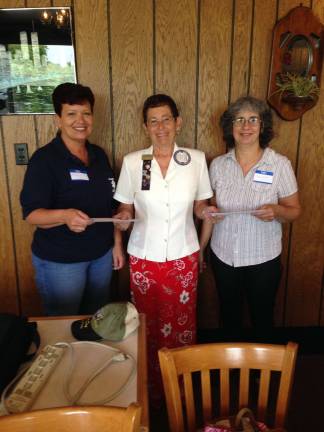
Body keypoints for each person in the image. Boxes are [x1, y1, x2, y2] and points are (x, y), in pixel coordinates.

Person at [113, 93, 216, 405]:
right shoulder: (135, 163)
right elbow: (126, 210)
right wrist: (122, 223)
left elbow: (200, 206)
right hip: (144, 257)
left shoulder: (194, 159)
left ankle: (180, 391)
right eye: (153, 121)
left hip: (184, 256)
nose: (161, 127)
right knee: (147, 324)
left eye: (166, 119)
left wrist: (204, 215)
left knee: (183, 325)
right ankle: (150, 391)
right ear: (146, 127)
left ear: (178, 122)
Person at [20, 83, 124, 316]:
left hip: (101, 256)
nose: (81, 120)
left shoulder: (99, 155)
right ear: (58, 118)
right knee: (63, 325)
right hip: (61, 262)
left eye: (86, 113)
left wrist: (116, 244)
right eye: (71, 114)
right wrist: (65, 215)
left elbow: (111, 206)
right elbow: (32, 214)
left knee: (95, 321)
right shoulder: (45, 160)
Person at [200, 96, 301, 330]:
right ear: (230, 127)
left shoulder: (279, 165)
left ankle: (263, 368)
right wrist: (202, 249)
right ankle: (231, 368)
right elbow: (212, 213)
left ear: (262, 125)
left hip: (263, 259)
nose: (246, 126)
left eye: (253, 119)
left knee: (262, 319)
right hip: (224, 257)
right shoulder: (218, 165)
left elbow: (294, 211)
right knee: (229, 317)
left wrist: (276, 211)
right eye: (239, 120)